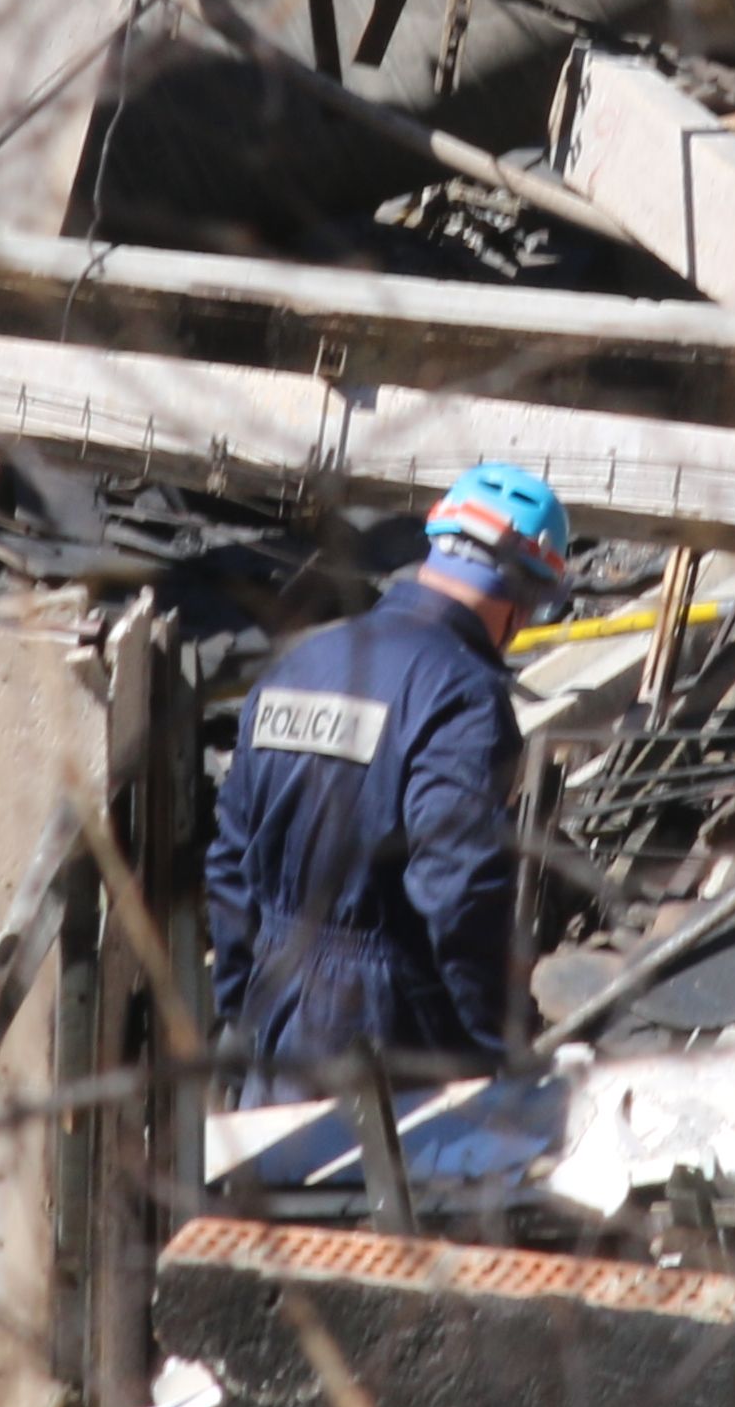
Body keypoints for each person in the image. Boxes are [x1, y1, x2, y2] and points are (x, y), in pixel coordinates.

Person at [206, 463, 569, 1104]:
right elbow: (457, 887)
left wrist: (238, 1010)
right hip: (384, 1035)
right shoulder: (463, 694)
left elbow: (231, 864)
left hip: (273, 1011)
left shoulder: (298, 665)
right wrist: (488, 1043)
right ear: (520, 595)